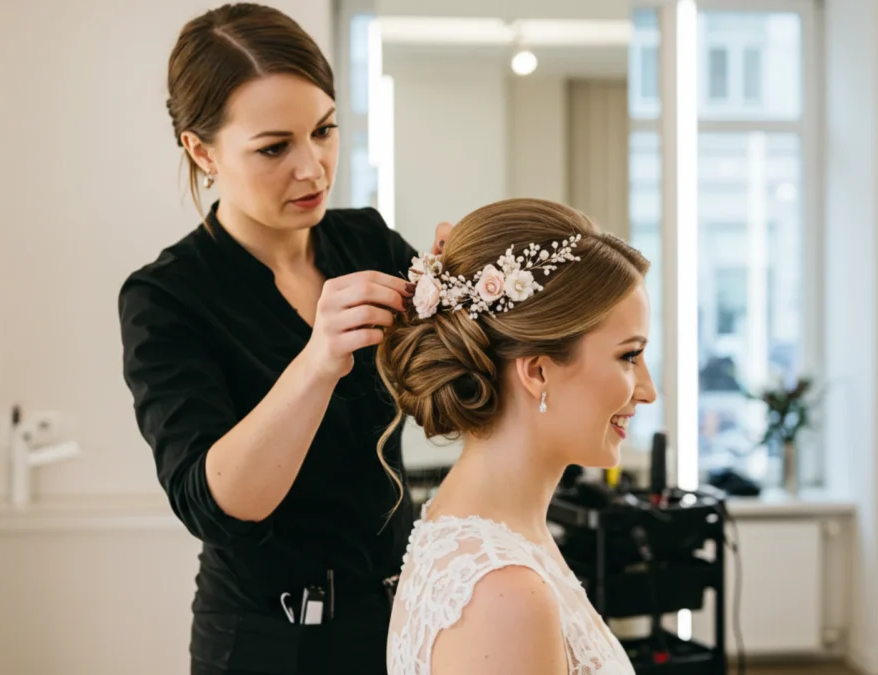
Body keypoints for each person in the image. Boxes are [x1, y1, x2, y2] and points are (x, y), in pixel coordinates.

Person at [117, 4, 449, 674]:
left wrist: (468, 302)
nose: (315, 169)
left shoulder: (367, 241)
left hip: (399, 618)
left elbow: (455, 388)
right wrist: (318, 360)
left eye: (324, 131)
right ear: (201, 149)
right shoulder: (167, 297)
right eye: (275, 148)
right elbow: (218, 504)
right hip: (270, 640)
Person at [376, 198, 658, 675]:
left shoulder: (490, 534)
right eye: (629, 357)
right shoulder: (503, 594)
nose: (648, 391)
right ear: (538, 370)